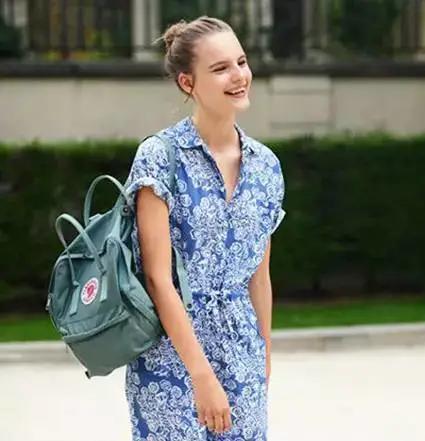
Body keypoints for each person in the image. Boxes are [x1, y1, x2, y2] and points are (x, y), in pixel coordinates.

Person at [124, 15, 286, 441]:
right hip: (170, 361)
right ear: (187, 82)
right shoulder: (159, 157)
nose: (239, 76)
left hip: (243, 353)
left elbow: (259, 278)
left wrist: (264, 358)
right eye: (220, 68)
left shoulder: (267, 167)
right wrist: (201, 375)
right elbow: (158, 279)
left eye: (241, 62)